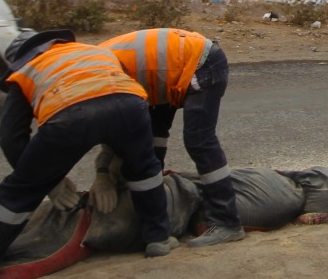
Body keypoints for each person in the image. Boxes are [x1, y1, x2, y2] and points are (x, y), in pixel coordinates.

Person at [0, 29, 172, 279]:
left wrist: (44, 181)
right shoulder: (95, 51)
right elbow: (115, 100)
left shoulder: (27, 70)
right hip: (132, 105)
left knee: (16, 196)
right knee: (144, 170)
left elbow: (10, 137)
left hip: (70, 115)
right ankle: (158, 238)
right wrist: (110, 168)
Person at [97, 27, 243, 248]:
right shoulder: (92, 66)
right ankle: (156, 219)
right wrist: (104, 172)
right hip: (165, 75)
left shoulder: (97, 72)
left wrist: (105, 170)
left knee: (199, 140)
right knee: (152, 143)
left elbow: (118, 122)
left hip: (201, 62)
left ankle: (227, 223)